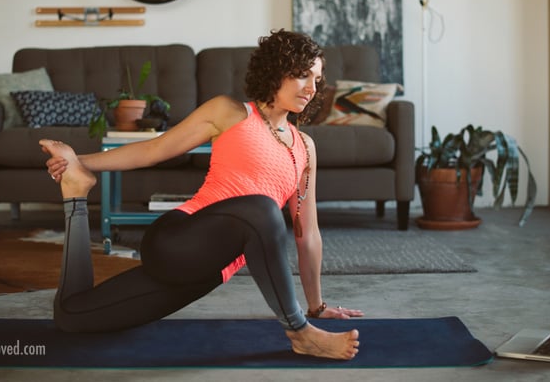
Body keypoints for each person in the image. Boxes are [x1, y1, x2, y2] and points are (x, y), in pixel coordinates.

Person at [40, 29, 363, 360]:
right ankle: (300, 333)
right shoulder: (231, 112)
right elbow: (155, 150)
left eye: (317, 79)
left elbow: (307, 234)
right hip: (176, 240)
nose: (311, 88)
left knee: (72, 316)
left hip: (207, 271)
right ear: (277, 69)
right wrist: (80, 161)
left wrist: (317, 306)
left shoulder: (305, 148)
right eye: (301, 75)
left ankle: (75, 195)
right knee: (262, 210)